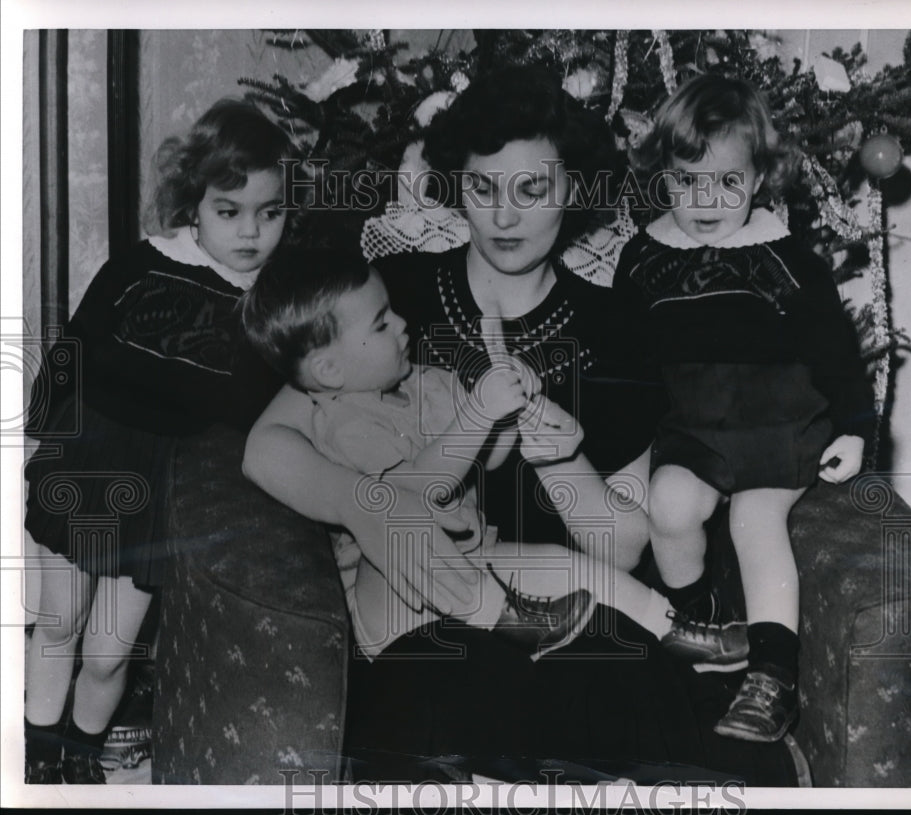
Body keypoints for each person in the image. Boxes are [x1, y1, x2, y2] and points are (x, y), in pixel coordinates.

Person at [243, 65, 804, 785]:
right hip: (424, 619)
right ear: (458, 187)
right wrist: (367, 503)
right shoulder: (392, 299)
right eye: (483, 189)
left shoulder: (616, 326)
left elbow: (624, 542)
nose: (504, 217)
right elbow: (268, 447)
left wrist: (562, 459)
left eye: (532, 190)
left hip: (574, 613)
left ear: (572, 189)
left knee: (613, 685)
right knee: (459, 683)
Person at [239, 247, 725, 660]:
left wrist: (515, 408)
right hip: (399, 589)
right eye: (383, 323)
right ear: (328, 370)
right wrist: (478, 412)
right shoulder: (343, 419)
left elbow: (486, 459)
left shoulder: (424, 381)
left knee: (563, 561)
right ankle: (507, 618)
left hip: (475, 555)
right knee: (411, 532)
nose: (404, 324)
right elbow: (420, 492)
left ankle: (674, 630)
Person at [23, 99, 294, 783]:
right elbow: (74, 350)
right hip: (89, 458)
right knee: (58, 622)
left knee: (110, 651)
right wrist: (44, 443)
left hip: (162, 486)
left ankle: (81, 758)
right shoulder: (141, 266)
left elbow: (259, 415)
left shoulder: (270, 306)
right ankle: (36, 754)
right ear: (193, 204)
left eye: (271, 213)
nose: (252, 233)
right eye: (229, 212)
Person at [615, 73, 875, 742]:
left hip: (776, 427)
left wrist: (853, 427)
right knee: (669, 505)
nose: (705, 201)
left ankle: (772, 675)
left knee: (757, 523)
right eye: (685, 180)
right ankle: (700, 627)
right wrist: (619, 447)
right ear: (662, 175)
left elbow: (838, 355)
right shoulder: (644, 259)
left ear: (758, 177)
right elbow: (630, 369)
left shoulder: (786, 262)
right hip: (695, 429)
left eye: (727, 182)